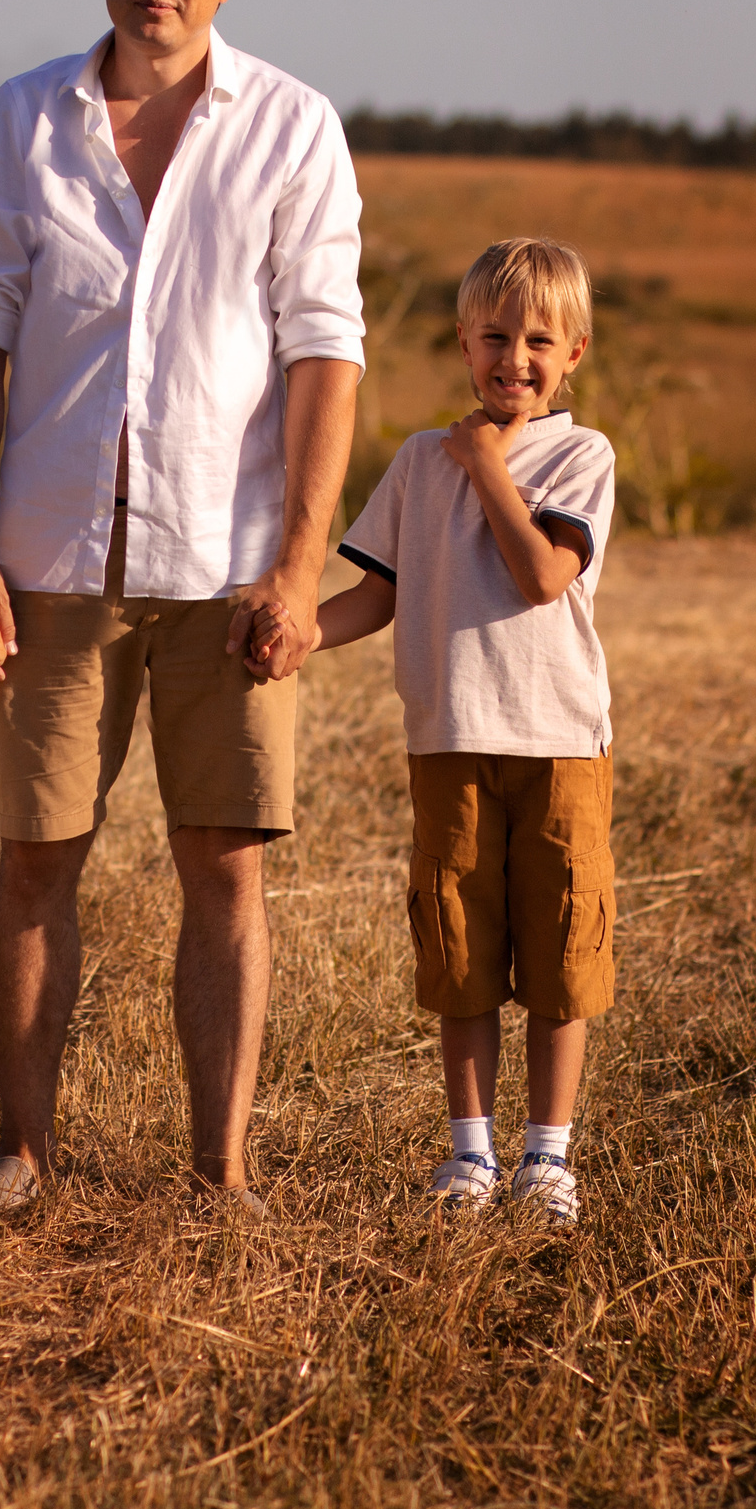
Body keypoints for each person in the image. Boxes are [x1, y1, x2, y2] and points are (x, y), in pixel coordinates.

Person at [0, 0, 364, 1212]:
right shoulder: (18, 123)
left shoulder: (294, 128)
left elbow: (324, 355)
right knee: (34, 857)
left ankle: (218, 1174)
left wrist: (301, 566)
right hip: (50, 554)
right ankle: (21, 1153)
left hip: (228, 566)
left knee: (225, 867)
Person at [273, 238, 616, 1224]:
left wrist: (486, 461)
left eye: (538, 340)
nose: (515, 358)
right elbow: (374, 595)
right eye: (494, 337)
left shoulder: (580, 455)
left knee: (559, 951)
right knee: (457, 950)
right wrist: (299, 633)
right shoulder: (420, 462)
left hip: (557, 744)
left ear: (575, 353)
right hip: (448, 739)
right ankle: (469, 1153)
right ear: (462, 344)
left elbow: (543, 574)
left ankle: (546, 1156)